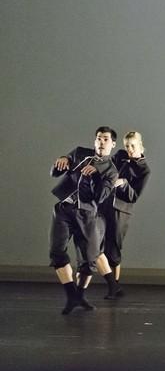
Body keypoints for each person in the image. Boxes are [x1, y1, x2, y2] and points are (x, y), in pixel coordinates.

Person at [49, 127, 118, 314]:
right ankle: (72, 295)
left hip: (87, 215)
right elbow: (55, 173)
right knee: (57, 252)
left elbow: (100, 196)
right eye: (98, 138)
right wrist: (62, 160)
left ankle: (78, 295)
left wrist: (95, 175)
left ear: (113, 144)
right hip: (64, 210)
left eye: (105, 139)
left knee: (88, 261)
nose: (101, 142)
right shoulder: (80, 153)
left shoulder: (111, 170)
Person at [95, 131, 151, 299]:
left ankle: (114, 286)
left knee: (113, 248)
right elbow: (106, 169)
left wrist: (123, 183)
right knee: (95, 243)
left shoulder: (144, 169)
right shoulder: (119, 156)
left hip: (121, 210)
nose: (129, 149)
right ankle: (114, 285)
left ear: (140, 145)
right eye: (127, 146)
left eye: (133, 146)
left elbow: (134, 196)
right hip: (103, 205)